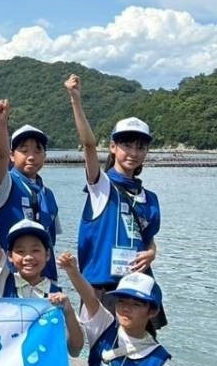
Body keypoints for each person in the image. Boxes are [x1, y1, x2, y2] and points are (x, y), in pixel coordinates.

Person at [65, 74, 161, 297]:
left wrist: (152, 253)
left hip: (137, 289)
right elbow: (89, 145)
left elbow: (148, 239)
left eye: (140, 147)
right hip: (101, 288)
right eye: (126, 145)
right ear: (112, 147)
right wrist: (75, 100)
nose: (133, 153)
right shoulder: (102, 185)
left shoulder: (149, 198)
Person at [0, 192, 83, 355]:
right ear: (9, 256)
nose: (28, 257)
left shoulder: (56, 295)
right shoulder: (1, 281)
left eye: (35, 250)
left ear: (47, 255)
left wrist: (67, 310)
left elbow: (75, 349)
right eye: (20, 251)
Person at [0, 104, 60, 280]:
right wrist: (1, 123)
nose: (31, 156)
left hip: (44, 278)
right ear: (12, 155)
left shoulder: (48, 194)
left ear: (45, 156)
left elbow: (51, 240)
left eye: (38, 150)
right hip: (9, 277)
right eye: (24, 150)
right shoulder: (5, 183)